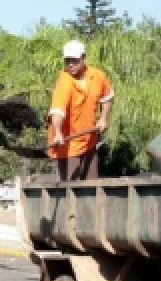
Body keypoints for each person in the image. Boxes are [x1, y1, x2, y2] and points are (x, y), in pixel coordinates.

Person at [48, 40, 114, 181]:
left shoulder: (97, 76)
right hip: (68, 144)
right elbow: (57, 112)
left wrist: (103, 119)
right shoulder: (64, 82)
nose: (70, 64)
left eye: (75, 61)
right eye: (67, 61)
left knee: (91, 184)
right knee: (71, 187)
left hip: (89, 139)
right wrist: (58, 133)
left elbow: (108, 96)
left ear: (84, 58)